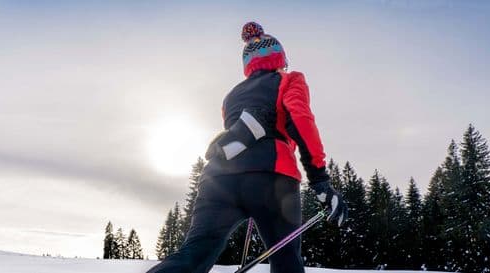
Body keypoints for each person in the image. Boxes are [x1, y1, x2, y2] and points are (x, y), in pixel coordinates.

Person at [146, 22, 348, 273]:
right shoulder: (289, 80)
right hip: (272, 179)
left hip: (218, 178)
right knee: (287, 261)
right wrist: (320, 181)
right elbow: (300, 120)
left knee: (194, 253)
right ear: (280, 57)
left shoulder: (231, 96)